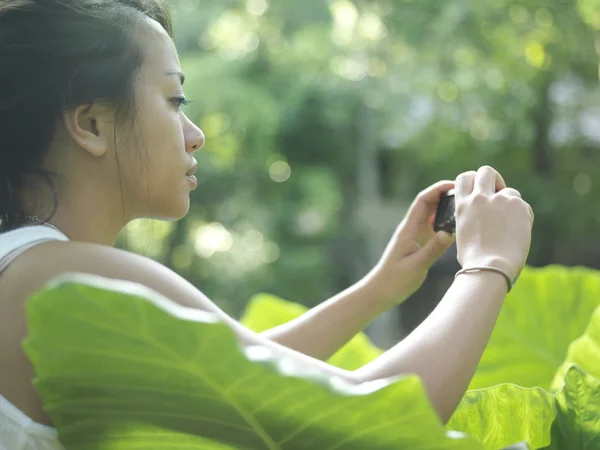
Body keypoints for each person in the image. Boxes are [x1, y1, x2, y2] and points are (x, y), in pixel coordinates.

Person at [0, 0, 534, 448]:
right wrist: (487, 266)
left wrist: (380, 287)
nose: (195, 134)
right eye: (173, 100)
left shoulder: (30, 271)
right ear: (91, 123)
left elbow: (245, 375)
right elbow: (357, 426)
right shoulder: (70, 280)